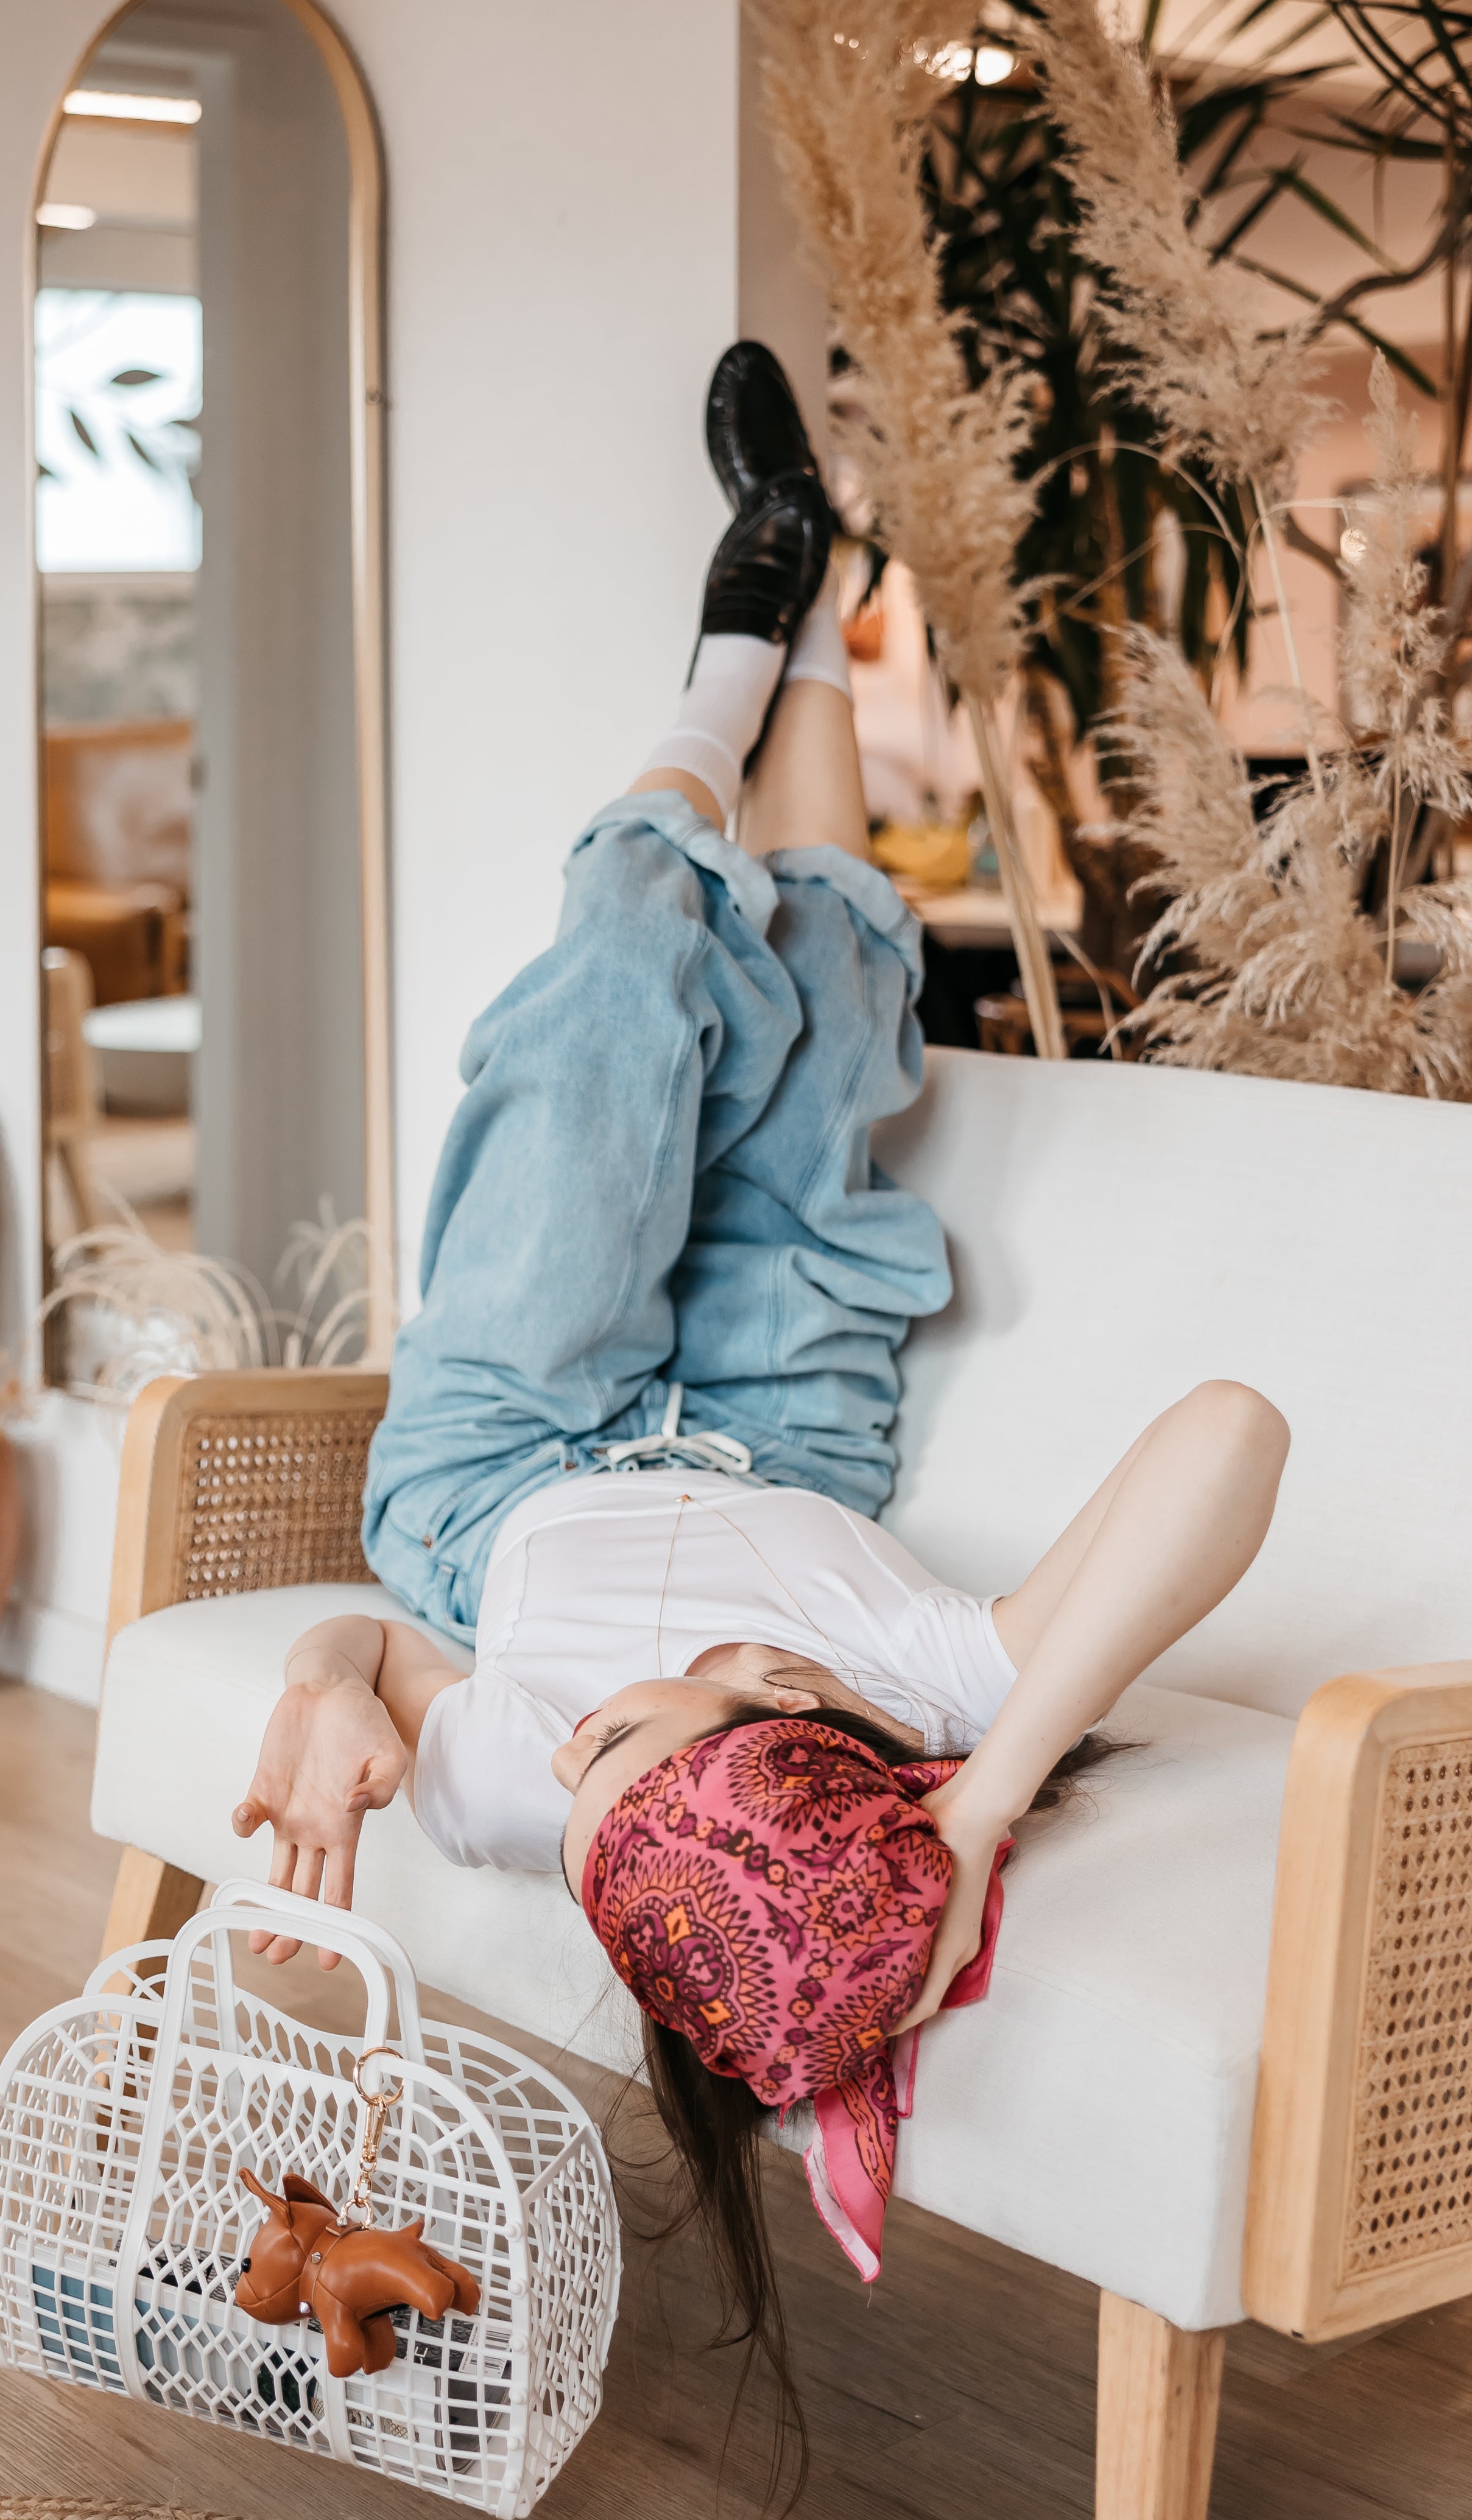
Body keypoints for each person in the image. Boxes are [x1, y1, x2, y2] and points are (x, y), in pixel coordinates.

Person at [233, 343, 1289, 2449]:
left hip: (511, 1462)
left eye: (588, 1770)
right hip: (787, 1425)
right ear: (788, 1728)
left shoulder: (549, 1790)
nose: (579, 1742)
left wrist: (332, 1683)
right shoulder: (932, 1694)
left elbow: (381, 1655)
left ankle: (742, 630)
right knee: (830, 981)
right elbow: (1234, 1436)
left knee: (632, 952)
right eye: (641, 1733)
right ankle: (807, 588)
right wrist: (980, 1808)